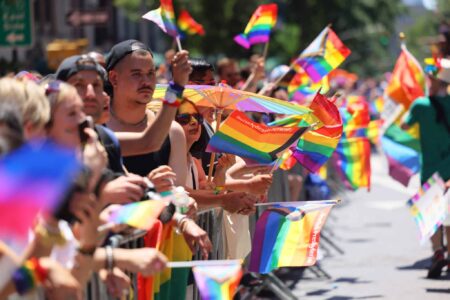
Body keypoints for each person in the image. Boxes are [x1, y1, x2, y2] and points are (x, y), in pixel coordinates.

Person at [401, 61, 450, 279]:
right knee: (449, 216)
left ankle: (438, 252)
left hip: (430, 170)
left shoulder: (420, 105)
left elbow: (403, 126)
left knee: (432, 215)